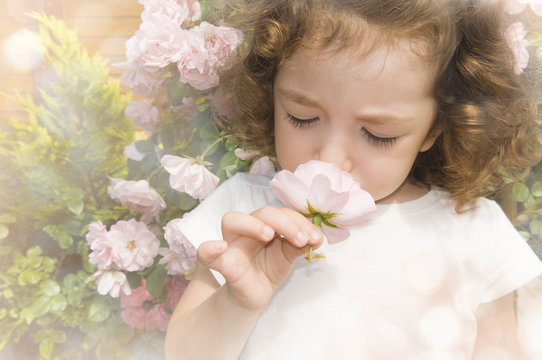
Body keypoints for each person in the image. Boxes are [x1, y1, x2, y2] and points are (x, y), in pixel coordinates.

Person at [165, 0, 542, 358]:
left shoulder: (473, 230)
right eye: (301, 117)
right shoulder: (244, 215)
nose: (330, 159)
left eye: (378, 134)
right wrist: (235, 302)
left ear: (434, 128)